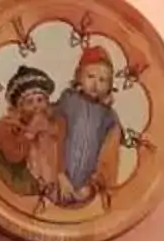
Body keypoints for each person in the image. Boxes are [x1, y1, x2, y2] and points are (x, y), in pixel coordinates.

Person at [50, 45, 126, 206]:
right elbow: (53, 136)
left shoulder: (108, 117)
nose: (95, 84)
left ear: (110, 85)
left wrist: (92, 186)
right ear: (79, 76)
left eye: (102, 80)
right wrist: (59, 174)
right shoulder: (68, 101)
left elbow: (109, 154)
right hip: (57, 181)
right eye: (90, 76)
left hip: (86, 190)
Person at [0, 65, 64, 198]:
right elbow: (14, 156)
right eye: (30, 102)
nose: (36, 106)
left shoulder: (54, 123)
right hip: (24, 181)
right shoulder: (8, 127)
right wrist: (31, 132)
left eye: (40, 100)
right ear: (19, 108)